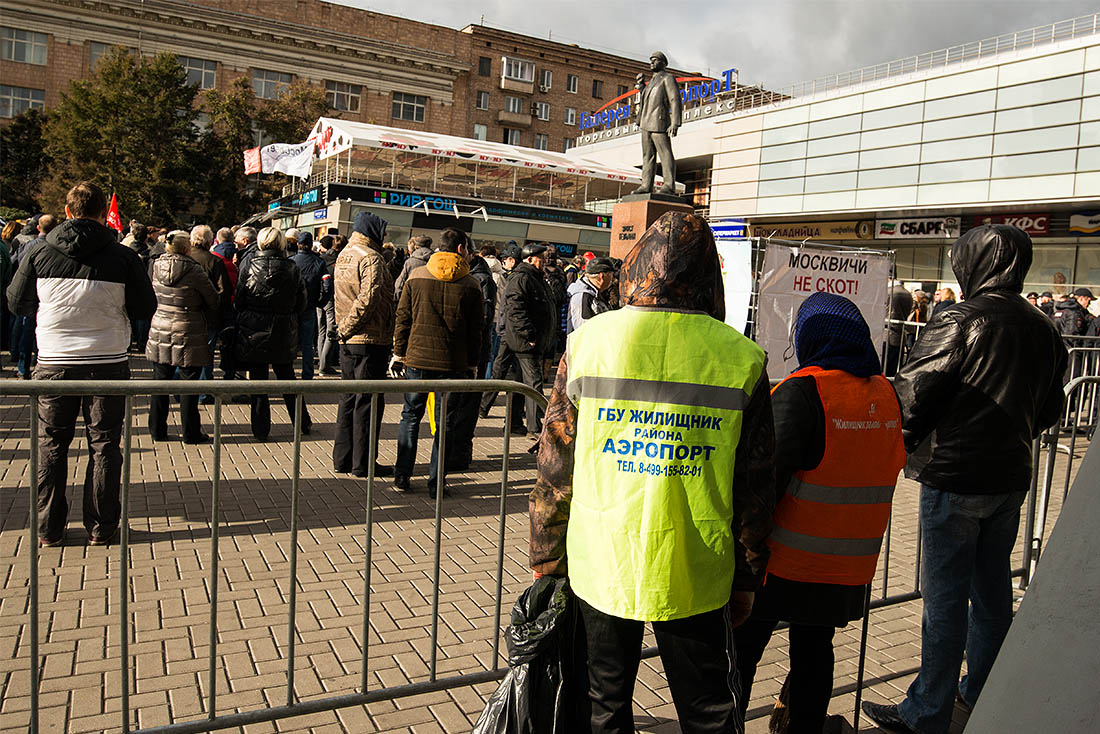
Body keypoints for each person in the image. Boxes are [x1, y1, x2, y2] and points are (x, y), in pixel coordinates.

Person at [530, 211, 775, 732]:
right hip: (696, 561)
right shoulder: (744, 358)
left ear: (637, 263)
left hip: (601, 555)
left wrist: (547, 555)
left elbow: (555, 465)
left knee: (603, 701)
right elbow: (754, 485)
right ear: (711, 275)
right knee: (708, 707)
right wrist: (748, 572)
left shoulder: (589, 344)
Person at [862, 225, 1068, 734]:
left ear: (972, 262)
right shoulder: (1042, 326)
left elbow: (914, 393)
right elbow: (1053, 405)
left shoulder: (961, 317)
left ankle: (927, 709)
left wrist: (893, 448)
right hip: (1008, 478)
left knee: (947, 600)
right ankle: (980, 691)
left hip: (956, 478)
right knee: (992, 592)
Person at [734, 292, 906, 734]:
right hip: (847, 567)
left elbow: (763, 483)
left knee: (743, 650)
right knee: (814, 652)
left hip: (784, 563)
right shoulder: (886, 393)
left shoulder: (804, 392)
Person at [7, 181, 157, 547]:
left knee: (52, 444)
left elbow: (16, 303)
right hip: (107, 360)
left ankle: (48, 529)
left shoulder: (38, 251)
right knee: (105, 444)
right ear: (101, 210)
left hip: (55, 360)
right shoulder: (122, 256)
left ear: (68, 210)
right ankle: (102, 527)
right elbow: (144, 308)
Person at [391, 228, 484, 495]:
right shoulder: (470, 283)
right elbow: (477, 330)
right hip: (454, 364)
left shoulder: (416, 276)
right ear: (460, 249)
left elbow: (403, 318)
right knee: (445, 424)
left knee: (410, 416)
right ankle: (436, 482)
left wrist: (398, 352)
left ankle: (402, 475)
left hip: (417, 358)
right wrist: (473, 363)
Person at [333, 212, 395, 478]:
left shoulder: (345, 254)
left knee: (348, 399)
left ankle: (343, 459)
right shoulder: (371, 258)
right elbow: (369, 299)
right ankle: (364, 463)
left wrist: (342, 329)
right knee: (367, 402)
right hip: (368, 339)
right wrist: (348, 327)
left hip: (349, 339)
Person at [234, 226, 311, 440]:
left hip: (253, 329)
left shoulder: (248, 265)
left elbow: (239, 299)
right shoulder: (292, 268)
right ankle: (302, 423)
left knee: (259, 381)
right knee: (287, 378)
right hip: (283, 328)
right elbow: (301, 301)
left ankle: (260, 429)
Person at [146, 230, 219, 443]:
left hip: (161, 325)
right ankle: (190, 431)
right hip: (188, 328)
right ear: (187, 248)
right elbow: (213, 299)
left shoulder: (156, 265)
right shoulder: (194, 270)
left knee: (160, 382)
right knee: (189, 384)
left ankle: (157, 429)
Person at [450, 234, 497, 471]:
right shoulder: (463, 274)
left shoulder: (481, 278)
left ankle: (460, 455)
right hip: (460, 351)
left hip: (475, 351)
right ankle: (455, 453)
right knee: (457, 404)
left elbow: (485, 318)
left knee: (467, 405)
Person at [500, 242, 555, 436]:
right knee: (533, 383)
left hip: (533, 340)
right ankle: (534, 426)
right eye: (541, 258)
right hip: (526, 342)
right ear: (530, 259)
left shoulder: (537, 277)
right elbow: (515, 308)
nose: (545, 261)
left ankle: (514, 422)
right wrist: (529, 335)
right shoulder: (523, 277)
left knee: (521, 383)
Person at [9, 215, 57, 379]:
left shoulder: (29, 246)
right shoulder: (57, 247)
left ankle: (23, 368)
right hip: (47, 297)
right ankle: (38, 364)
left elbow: (14, 265)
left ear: (38, 228)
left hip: (30, 295)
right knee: (40, 333)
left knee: (26, 332)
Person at [188, 225, 233, 390]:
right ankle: (203, 390)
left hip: (184, 315)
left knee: (184, 353)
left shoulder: (183, 259)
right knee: (206, 354)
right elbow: (224, 291)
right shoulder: (215, 261)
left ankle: (182, 389)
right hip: (208, 317)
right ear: (209, 241)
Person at [631, 51, 682, 196]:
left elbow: (674, 100)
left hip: (659, 123)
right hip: (646, 123)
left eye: (655, 60)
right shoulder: (651, 81)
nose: (651, 63)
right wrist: (642, 89)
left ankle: (668, 185)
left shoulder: (667, 78)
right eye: (650, 60)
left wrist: (675, 122)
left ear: (663, 63)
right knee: (647, 156)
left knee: (665, 154)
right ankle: (646, 185)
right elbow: (646, 101)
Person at [289, 231, 329, 381]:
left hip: (292, 307)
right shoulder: (319, 263)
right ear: (311, 245)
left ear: (298, 244)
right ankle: (307, 374)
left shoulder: (291, 261)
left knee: (290, 340)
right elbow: (327, 285)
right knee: (307, 343)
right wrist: (321, 301)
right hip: (309, 306)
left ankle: (289, 373)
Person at [566, 256, 615, 333]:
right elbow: (584, 330)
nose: (613, 279)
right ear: (602, 276)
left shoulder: (595, 293)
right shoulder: (583, 296)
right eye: (612, 275)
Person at [317, 234, 341, 375]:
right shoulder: (338, 260)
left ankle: (322, 361)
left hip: (320, 297)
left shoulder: (320, 259)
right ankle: (324, 365)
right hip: (332, 297)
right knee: (331, 331)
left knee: (321, 330)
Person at [393, 235, 433, 304]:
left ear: (416, 247)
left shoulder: (410, 262)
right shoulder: (435, 261)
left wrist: (396, 299)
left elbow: (399, 284)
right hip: (429, 301)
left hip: (411, 299)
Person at [886, 279, 913, 376]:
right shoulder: (907, 293)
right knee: (894, 369)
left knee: (886, 369)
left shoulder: (889, 292)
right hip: (900, 335)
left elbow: (888, 314)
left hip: (888, 335)